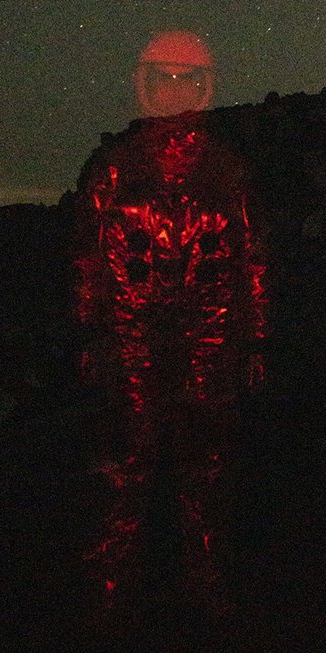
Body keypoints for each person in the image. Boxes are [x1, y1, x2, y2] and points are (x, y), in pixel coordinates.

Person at [72, 30, 267, 614]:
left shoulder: (228, 171)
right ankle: (109, 588)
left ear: (207, 87)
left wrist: (255, 340)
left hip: (210, 338)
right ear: (143, 83)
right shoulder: (112, 167)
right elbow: (86, 256)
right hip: (129, 339)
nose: (176, 90)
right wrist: (90, 332)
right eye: (165, 78)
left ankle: (206, 586)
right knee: (122, 466)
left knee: (206, 468)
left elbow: (253, 256)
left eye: (188, 79)